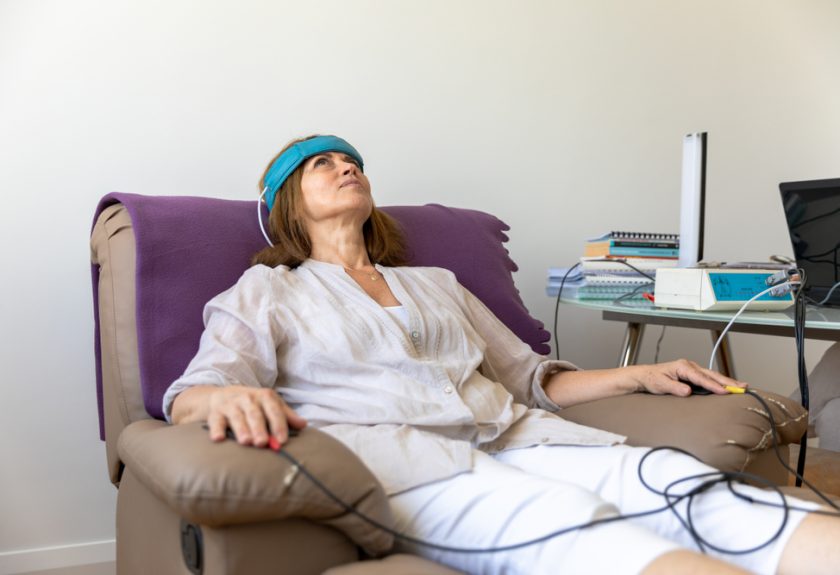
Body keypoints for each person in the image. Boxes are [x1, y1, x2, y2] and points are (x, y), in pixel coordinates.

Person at [164, 135, 839, 575]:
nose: (348, 167)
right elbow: (197, 388)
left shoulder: (434, 283)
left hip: (531, 438)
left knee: (694, 488)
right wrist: (224, 396)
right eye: (324, 162)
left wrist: (642, 372)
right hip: (419, 468)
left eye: (354, 161)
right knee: (584, 530)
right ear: (287, 199)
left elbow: (533, 379)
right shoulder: (268, 290)